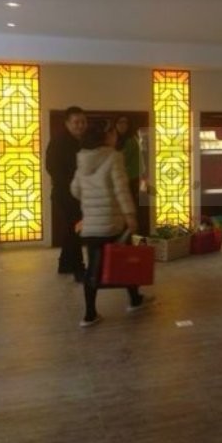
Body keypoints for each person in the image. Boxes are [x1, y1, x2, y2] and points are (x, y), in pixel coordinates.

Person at [70, 124, 151, 327]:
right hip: (111, 222)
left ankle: (89, 315)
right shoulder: (113, 157)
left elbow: (75, 190)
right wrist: (130, 215)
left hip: (91, 225)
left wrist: (90, 200)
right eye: (113, 133)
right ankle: (135, 300)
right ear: (105, 136)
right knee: (127, 261)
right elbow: (121, 189)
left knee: (92, 269)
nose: (116, 136)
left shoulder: (83, 158)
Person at [46, 106, 87, 281]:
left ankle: (64, 264)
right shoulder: (58, 142)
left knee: (71, 230)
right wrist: (72, 185)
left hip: (79, 194)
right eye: (76, 122)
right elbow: (51, 167)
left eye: (83, 122)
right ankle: (79, 269)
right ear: (67, 123)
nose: (80, 125)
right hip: (65, 194)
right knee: (76, 229)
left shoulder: (84, 141)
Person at [113, 115, 142, 210]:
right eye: (119, 122)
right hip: (121, 178)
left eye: (125, 122)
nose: (122, 125)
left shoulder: (131, 140)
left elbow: (122, 159)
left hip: (130, 179)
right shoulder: (116, 139)